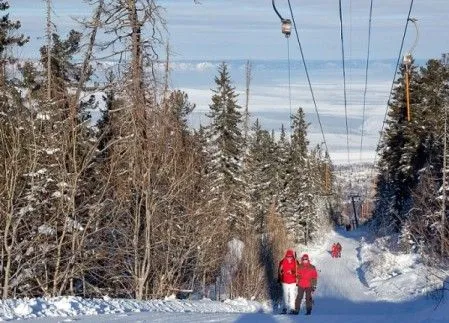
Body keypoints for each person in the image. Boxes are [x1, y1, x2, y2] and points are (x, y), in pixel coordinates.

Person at [277, 249, 299, 314]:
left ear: (292, 256)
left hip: (293, 281)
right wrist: (279, 279)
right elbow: (279, 271)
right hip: (285, 281)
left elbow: (299, 271)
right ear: (286, 256)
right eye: (288, 256)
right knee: (285, 295)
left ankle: (292, 308)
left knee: (291, 295)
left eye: (290, 257)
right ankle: (285, 308)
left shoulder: (295, 262)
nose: (289, 258)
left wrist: (292, 272)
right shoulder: (282, 262)